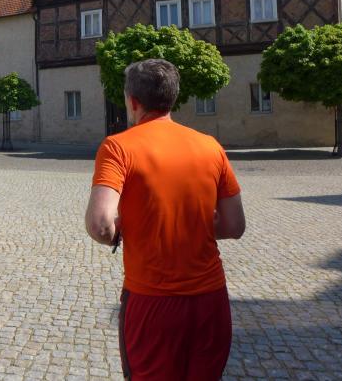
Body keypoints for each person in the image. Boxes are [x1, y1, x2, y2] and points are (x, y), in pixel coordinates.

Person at [84, 59, 246, 381]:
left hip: (152, 301)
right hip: (210, 300)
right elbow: (234, 225)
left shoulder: (118, 147)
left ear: (133, 102)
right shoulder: (210, 146)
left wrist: (124, 230)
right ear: (173, 98)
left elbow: (100, 224)